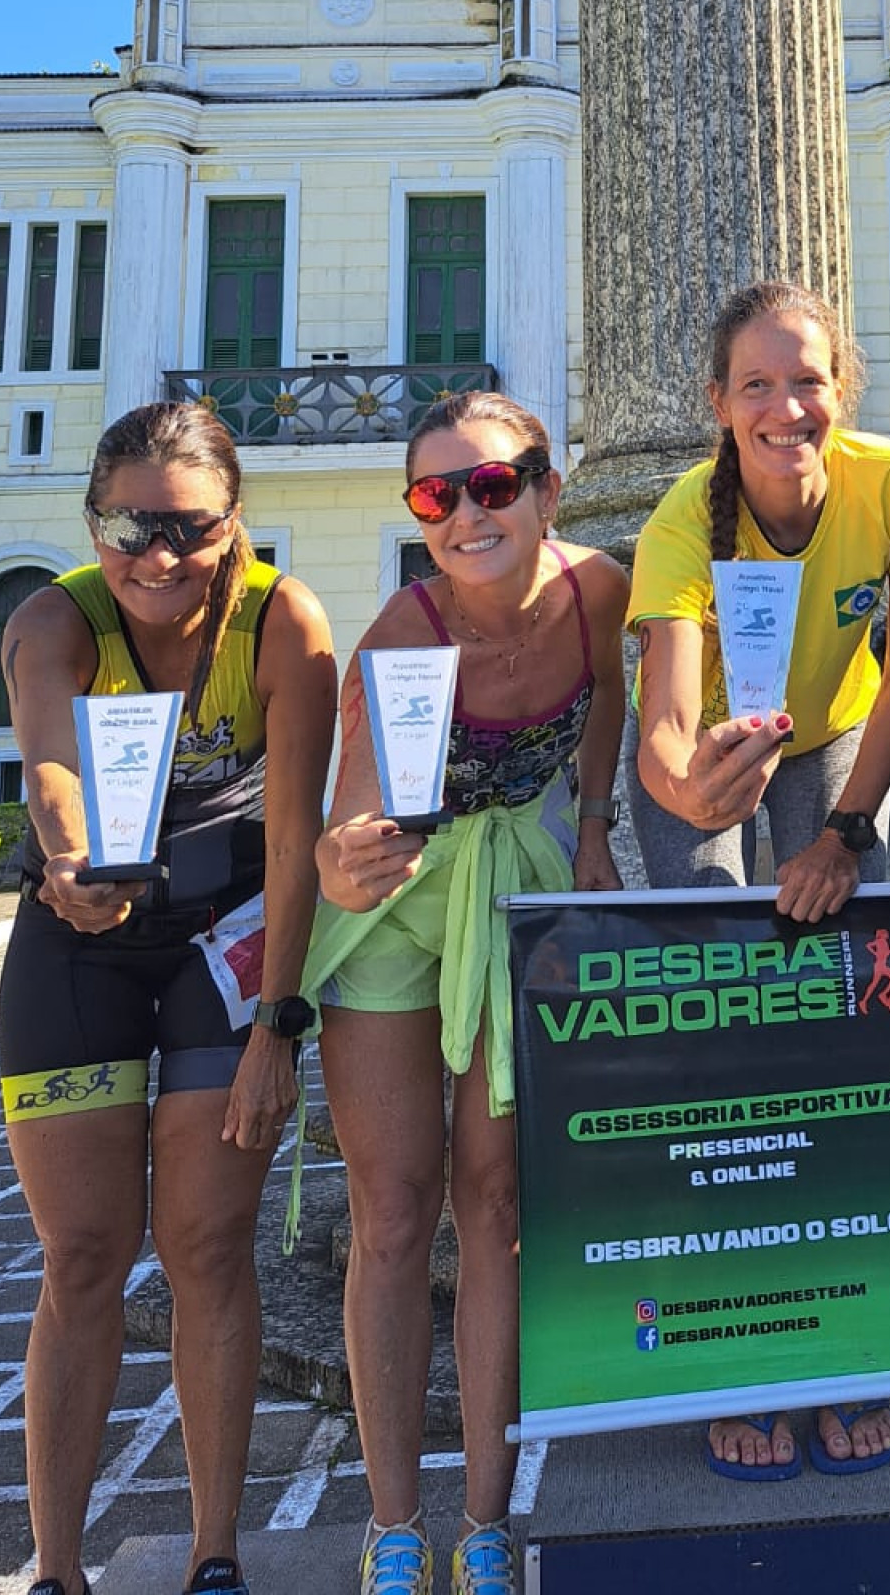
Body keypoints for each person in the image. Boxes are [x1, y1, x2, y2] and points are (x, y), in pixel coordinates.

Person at [0, 402, 337, 1595]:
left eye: (186, 525)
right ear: (93, 524)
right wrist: (73, 855)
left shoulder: (281, 621)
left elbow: (298, 842)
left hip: (228, 945)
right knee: (84, 1254)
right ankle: (57, 1570)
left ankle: (214, 1554)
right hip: (78, 939)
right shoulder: (55, 617)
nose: (156, 554)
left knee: (206, 1246)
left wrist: (280, 1029)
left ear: (232, 520)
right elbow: (47, 762)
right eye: (128, 525)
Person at [631, 277, 890, 1481]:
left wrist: (848, 832)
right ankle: (731, 1346)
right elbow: (664, 726)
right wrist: (692, 792)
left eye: (807, 379)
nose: (786, 406)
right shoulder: (679, 522)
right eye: (756, 385)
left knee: (842, 1022)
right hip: (718, 744)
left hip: (839, 745)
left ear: (843, 388)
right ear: (718, 403)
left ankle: (852, 1341)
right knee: (713, 1036)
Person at [308, 390, 626, 1595]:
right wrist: (343, 858)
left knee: (493, 1204)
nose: (469, 512)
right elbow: (349, 818)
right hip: (395, 911)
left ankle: (486, 1524)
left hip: (508, 888)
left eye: (495, 484)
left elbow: (601, 710)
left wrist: (593, 825)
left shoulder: (601, 588)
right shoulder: (404, 631)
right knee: (394, 1210)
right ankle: (396, 1525)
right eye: (439, 495)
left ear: (547, 487)